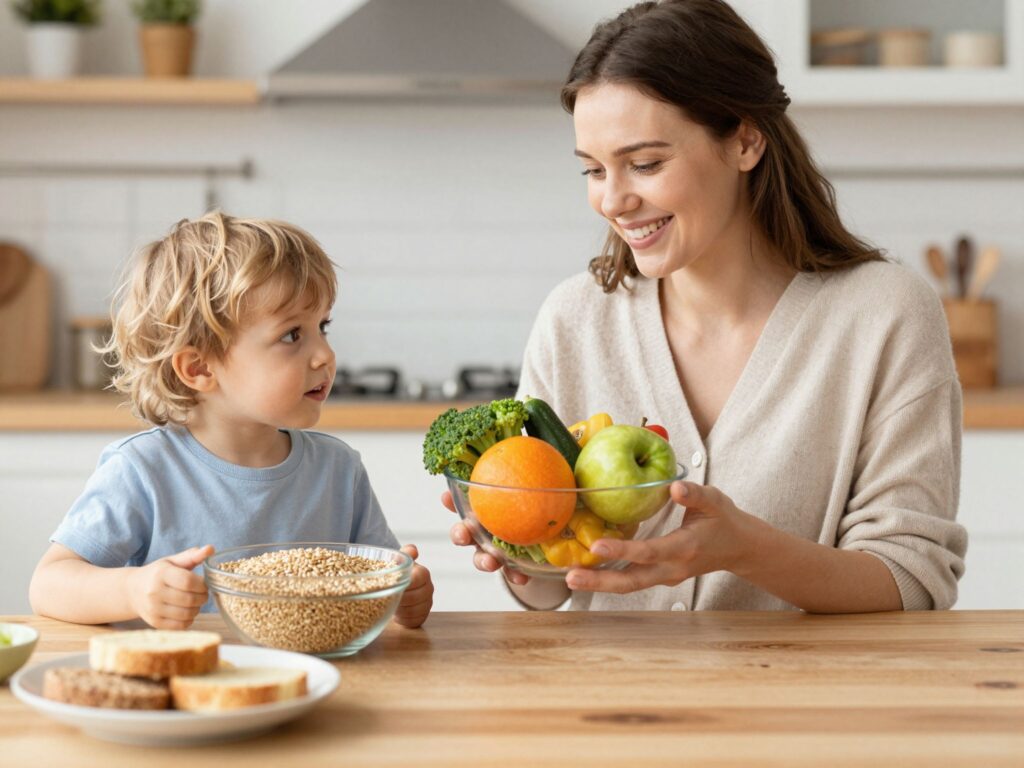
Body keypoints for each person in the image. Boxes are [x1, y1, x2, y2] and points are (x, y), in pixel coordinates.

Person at [447, 0, 967, 612]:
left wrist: (744, 549)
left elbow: (911, 581)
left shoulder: (885, 316)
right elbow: (556, 588)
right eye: (593, 170)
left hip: (800, 705)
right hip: (609, 704)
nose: (613, 200)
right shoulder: (574, 320)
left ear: (745, 140)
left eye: (644, 164)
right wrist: (517, 549)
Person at [30, 212, 433, 630]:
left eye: (323, 327)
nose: (325, 355)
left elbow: (382, 578)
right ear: (200, 368)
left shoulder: (339, 471)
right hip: (186, 683)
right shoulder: (143, 470)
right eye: (293, 335)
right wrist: (134, 588)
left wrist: (405, 594)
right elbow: (48, 584)